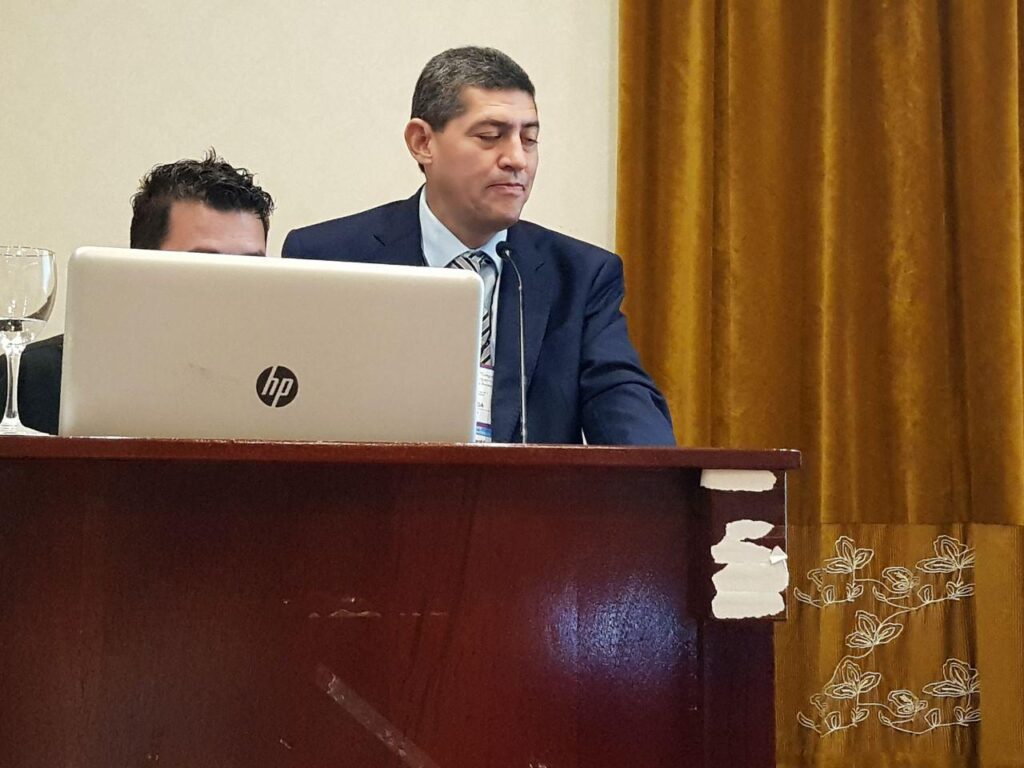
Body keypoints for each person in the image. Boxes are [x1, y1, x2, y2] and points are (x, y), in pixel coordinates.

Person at [283, 46, 674, 445]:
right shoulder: (329, 258)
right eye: (490, 137)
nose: (517, 159)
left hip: (524, 488)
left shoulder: (581, 276)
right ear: (422, 142)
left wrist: (663, 472)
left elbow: (620, 397)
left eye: (529, 139)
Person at [0, 151, 274, 434]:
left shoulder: (280, 384)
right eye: (204, 263)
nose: (232, 287)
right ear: (139, 265)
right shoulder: (33, 379)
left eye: (251, 266)